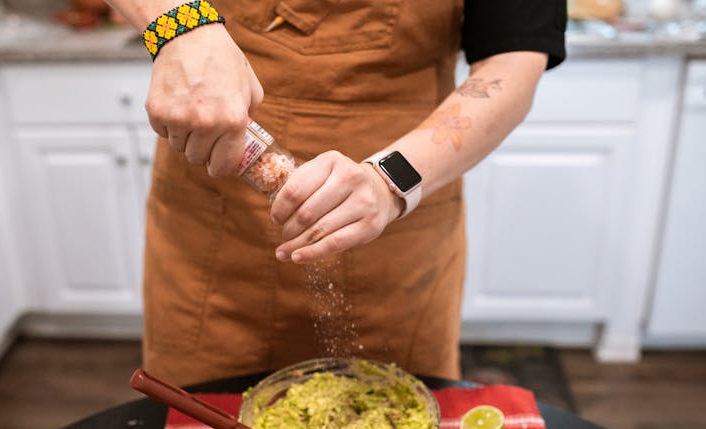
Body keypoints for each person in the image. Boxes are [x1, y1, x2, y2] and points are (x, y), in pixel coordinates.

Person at [105, 0, 567, 386]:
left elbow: (514, 59)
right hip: (214, 223)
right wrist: (178, 24)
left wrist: (391, 180)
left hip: (397, 221)